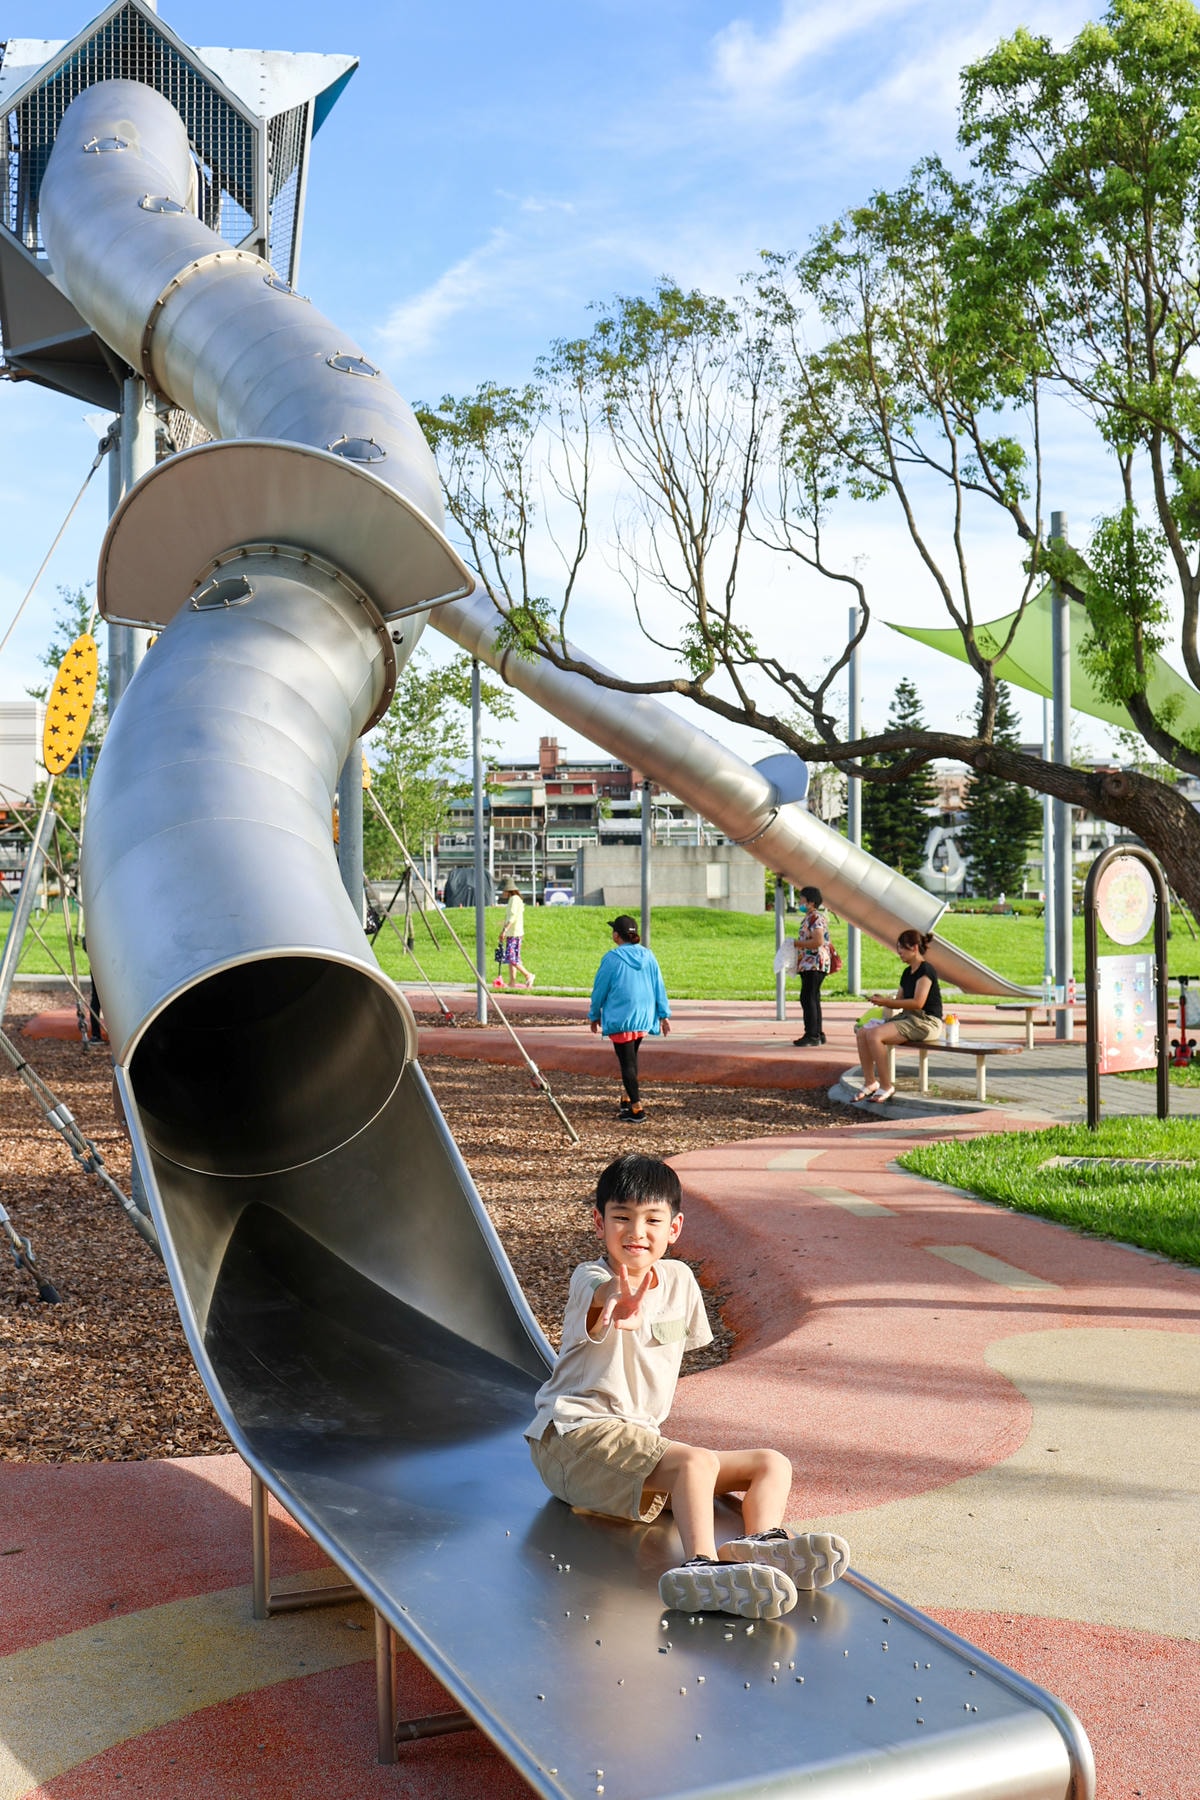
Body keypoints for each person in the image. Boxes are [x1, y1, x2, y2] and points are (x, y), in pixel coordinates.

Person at [525, 1154, 851, 1618]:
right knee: (694, 1461)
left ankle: (760, 1545)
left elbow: (675, 1353)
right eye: (622, 1218)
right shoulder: (591, 1278)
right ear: (599, 1222)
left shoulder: (680, 1280)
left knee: (769, 1465)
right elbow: (603, 1304)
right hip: (571, 1439)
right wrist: (619, 1302)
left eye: (652, 1220)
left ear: (674, 1228)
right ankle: (701, 1566)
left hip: (633, 1444)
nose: (637, 1232)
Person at [589, 914, 670, 1123]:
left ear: (617, 935)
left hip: (621, 1017)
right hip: (643, 1015)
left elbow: (600, 989)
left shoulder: (612, 958)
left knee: (627, 1063)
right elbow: (658, 985)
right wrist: (663, 1014)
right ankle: (626, 1098)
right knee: (631, 1058)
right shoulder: (649, 956)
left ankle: (636, 1108)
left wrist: (594, 1014)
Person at [853, 928, 944, 1102]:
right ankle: (870, 1082)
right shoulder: (906, 972)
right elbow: (900, 1000)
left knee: (874, 1035)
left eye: (902, 947)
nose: (899, 952)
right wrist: (883, 1000)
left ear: (915, 948)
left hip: (927, 1022)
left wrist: (887, 1003)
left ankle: (886, 1086)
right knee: (863, 1032)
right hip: (908, 1018)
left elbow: (918, 1003)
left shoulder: (926, 970)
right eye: (898, 948)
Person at [792, 884, 831, 1047]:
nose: (799, 903)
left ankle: (812, 1034)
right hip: (810, 964)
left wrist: (796, 943)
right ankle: (817, 1032)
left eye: (802, 900)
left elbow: (818, 940)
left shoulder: (815, 918)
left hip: (814, 963)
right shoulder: (810, 917)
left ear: (811, 903)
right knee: (813, 997)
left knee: (808, 998)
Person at [493, 876, 535, 989]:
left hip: (514, 933)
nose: (502, 893)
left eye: (503, 891)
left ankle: (528, 975)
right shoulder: (517, 899)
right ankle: (512, 982)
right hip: (515, 933)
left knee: (512, 958)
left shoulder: (513, 900)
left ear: (508, 890)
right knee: (512, 958)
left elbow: (511, 917)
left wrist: (504, 931)